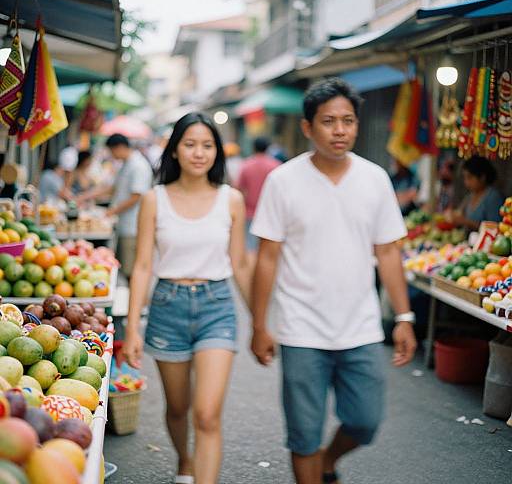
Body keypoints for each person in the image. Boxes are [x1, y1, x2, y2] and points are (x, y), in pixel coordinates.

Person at [249, 78, 417, 484]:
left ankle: (329, 460)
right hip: (301, 328)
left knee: (366, 420)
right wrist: (259, 325)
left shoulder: (375, 178)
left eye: (348, 121)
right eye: (328, 121)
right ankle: (314, 462)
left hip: (360, 326)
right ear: (308, 128)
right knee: (303, 435)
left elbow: (389, 252)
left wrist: (405, 317)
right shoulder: (284, 181)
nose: (340, 130)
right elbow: (267, 258)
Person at [122, 112, 249, 484]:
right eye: (190, 144)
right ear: (175, 150)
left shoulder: (232, 200)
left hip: (217, 307)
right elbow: (143, 266)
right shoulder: (153, 199)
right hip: (167, 306)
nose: (199, 153)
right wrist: (132, 329)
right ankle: (184, 461)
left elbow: (240, 263)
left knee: (206, 414)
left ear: (217, 152)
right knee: (178, 408)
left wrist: (260, 322)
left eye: (207, 145)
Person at [77, 133, 153, 278]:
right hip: (124, 224)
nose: (111, 155)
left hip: (133, 226)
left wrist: (111, 211)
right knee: (125, 266)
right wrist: (85, 196)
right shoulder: (126, 164)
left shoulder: (138, 166)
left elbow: (136, 197)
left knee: (131, 269)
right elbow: (111, 187)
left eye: (111, 151)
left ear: (119, 147)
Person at [236, 137, 280, 251]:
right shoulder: (276, 166)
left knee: (250, 247)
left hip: (249, 212)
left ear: (254, 147)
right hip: (270, 213)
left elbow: (239, 189)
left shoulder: (246, 165)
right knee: (267, 248)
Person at [446, 156, 503, 231]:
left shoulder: (493, 197)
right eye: (465, 178)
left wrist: (465, 222)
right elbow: (459, 213)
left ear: (482, 177)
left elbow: (495, 228)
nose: (466, 182)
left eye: (469, 177)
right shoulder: (470, 196)